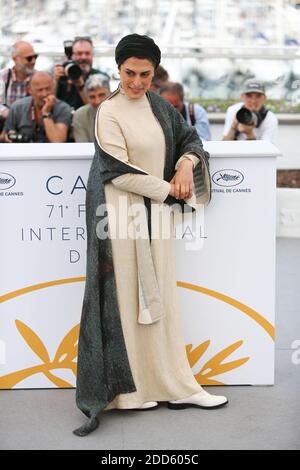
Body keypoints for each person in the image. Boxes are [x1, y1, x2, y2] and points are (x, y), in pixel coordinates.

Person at [74, 34, 228, 437]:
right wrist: (169, 190)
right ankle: (129, 392)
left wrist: (185, 164)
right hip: (120, 216)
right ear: (118, 69)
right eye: (130, 73)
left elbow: (190, 139)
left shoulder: (159, 105)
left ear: (154, 73)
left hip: (156, 217)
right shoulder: (108, 111)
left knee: (163, 298)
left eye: (145, 74)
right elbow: (115, 168)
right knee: (125, 301)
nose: (137, 82)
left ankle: (175, 384)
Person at [3, 71, 72, 143]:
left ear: (53, 87)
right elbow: (4, 135)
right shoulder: (17, 108)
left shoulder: (63, 108)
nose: (44, 94)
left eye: (48, 89)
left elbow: (58, 141)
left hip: (52, 153)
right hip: (23, 152)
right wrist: (8, 136)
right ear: (30, 90)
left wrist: (46, 113)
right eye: (40, 90)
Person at [54, 37, 109, 110]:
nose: (83, 57)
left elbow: (97, 109)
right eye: (79, 53)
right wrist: (54, 81)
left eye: (87, 53)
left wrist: (81, 86)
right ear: (71, 56)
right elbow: (47, 102)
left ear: (92, 55)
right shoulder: (62, 74)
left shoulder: (100, 77)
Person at [0, 41, 38, 134]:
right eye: (29, 58)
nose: (33, 61)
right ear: (15, 59)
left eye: (35, 57)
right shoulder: (3, 76)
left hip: (31, 129)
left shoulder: (38, 78)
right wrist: (6, 112)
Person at [72, 74, 110, 142]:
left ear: (111, 94)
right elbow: (83, 147)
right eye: (92, 97)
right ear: (87, 97)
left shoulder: (124, 112)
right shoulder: (80, 115)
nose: (97, 101)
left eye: (101, 95)